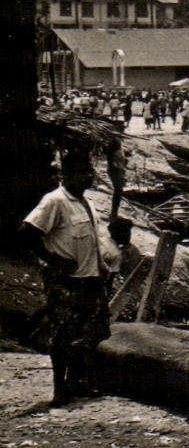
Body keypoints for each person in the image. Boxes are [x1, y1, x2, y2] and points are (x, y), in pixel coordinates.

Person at [22, 150, 124, 406]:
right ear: (65, 175)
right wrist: (55, 261)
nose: (86, 177)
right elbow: (27, 233)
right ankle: (59, 389)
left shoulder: (86, 203)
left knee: (90, 333)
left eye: (88, 172)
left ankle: (76, 382)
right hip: (67, 281)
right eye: (80, 172)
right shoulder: (54, 201)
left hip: (91, 277)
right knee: (63, 334)